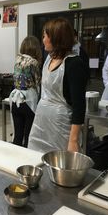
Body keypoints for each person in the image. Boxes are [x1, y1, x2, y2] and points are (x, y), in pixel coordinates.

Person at [28, 18, 87, 153]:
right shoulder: (49, 58)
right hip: (41, 123)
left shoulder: (74, 64)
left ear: (56, 38)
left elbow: (79, 106)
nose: (42, 40)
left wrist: (73, 140)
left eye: (45, 36)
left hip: (61, 126)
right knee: (35, 159)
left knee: (60, 164)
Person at [9, 36, 42, 147]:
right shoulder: (34, 63)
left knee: (17, 135)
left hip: (16, 100)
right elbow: (38, 81)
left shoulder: (17, 60)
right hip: (29, 101)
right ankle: (27, 161)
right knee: (29, 136)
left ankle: (14, 161)